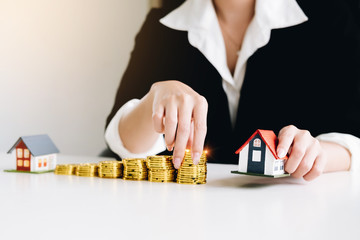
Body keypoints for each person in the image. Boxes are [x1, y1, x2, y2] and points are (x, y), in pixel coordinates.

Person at [105, 0, 360, 181]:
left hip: (294, 211)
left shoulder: (332, 16)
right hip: (186, 212)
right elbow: (121, 144)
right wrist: (152, 102)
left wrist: (317, 152)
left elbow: (353, 133)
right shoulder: (161, 27)